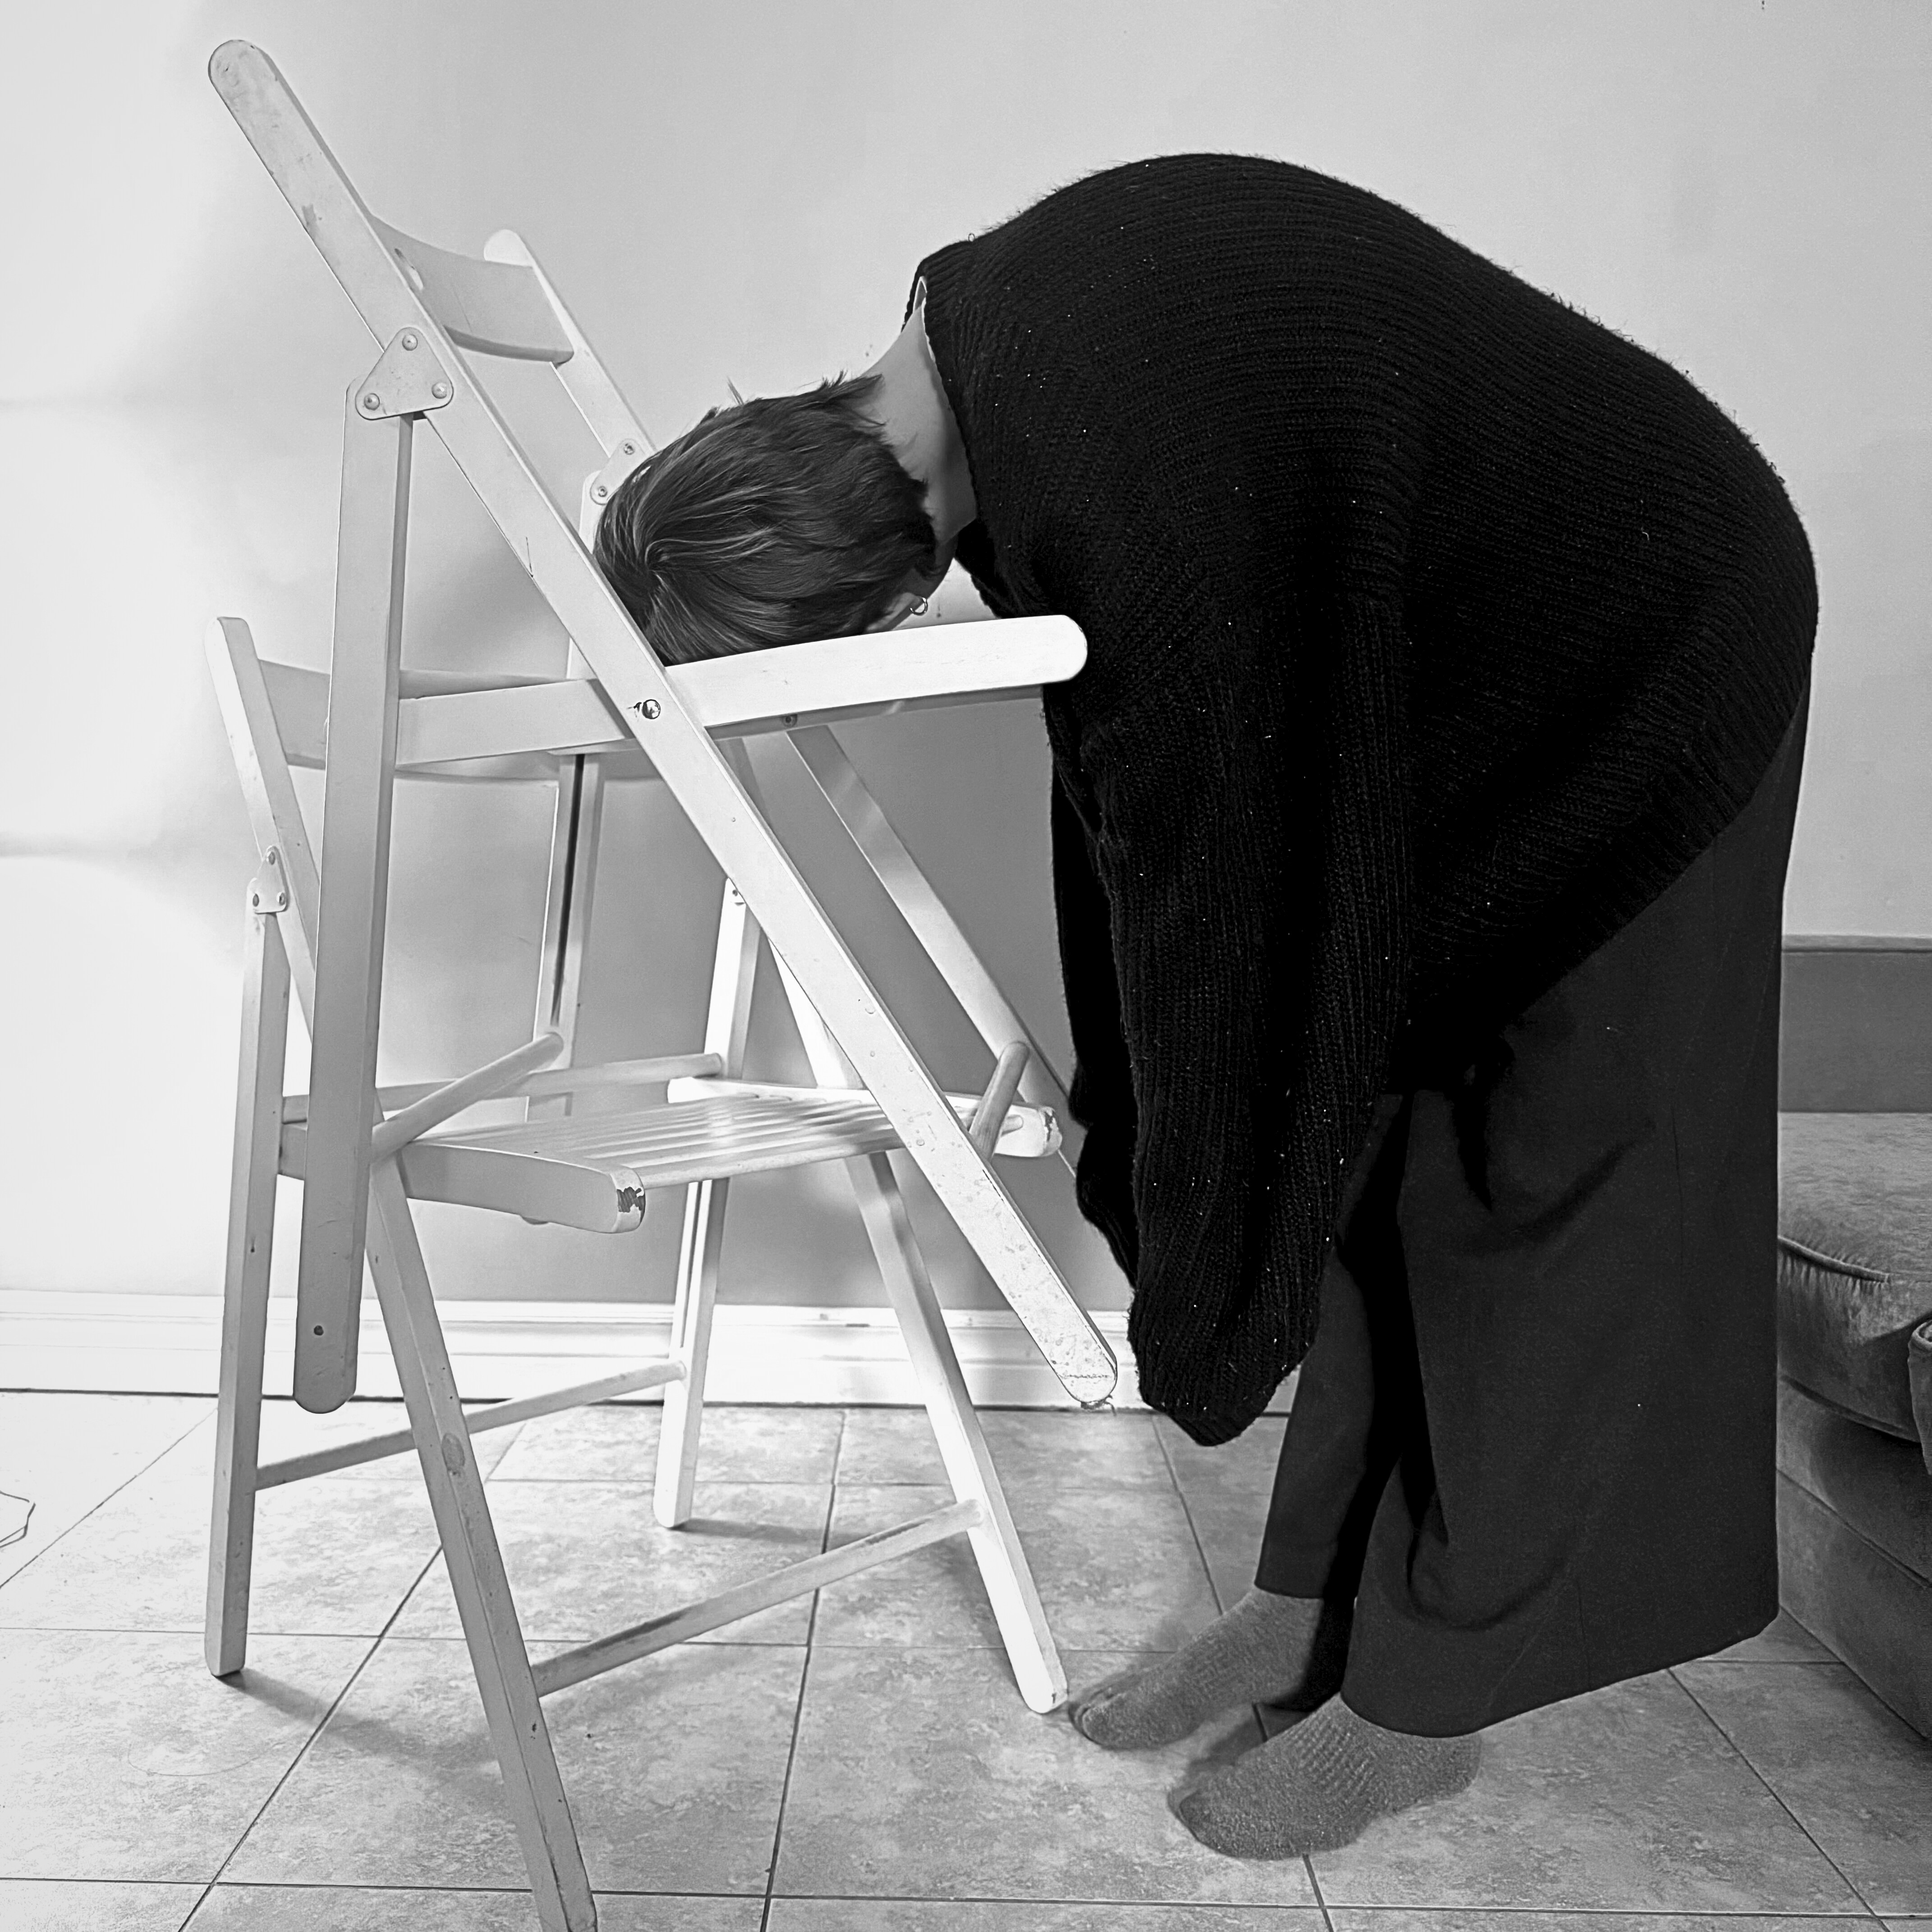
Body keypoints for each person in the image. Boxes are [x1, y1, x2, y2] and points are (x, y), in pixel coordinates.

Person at [593, 155, 1816, 1858]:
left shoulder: (1115, 469)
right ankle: (1310, 1605)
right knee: (1369, 1143)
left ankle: (1421, 1706)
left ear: (870, 595)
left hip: (1658, 630)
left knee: (1554, 1164)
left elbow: (1206, 878)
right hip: (1486, 652)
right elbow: (1152, 804)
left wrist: (1183, 1229)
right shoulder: (978, 341)